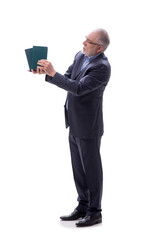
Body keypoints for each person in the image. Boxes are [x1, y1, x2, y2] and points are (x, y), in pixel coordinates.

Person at [31, 28, 111, 227]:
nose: (83, 43)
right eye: (85, 39)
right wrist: (47, 73)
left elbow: (78, 88)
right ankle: (83, 205)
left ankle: (95, 212)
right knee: (78, 168)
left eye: (88, 41)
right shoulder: (80, 56)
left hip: (88, 126)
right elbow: (67, 77)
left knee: (91, 170)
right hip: (73, 121)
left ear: (99, 48)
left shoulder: (102, 67)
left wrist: (53, 73)